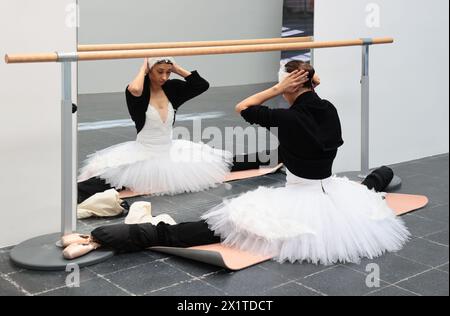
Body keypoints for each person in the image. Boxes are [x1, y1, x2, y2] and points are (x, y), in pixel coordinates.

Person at [66, 61, 410, 265]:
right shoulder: (329, 109)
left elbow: (243, 107)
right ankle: (383, 173)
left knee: (216, 228)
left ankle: (113, 236)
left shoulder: (287, 119)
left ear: (288, 84)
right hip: (329, 190)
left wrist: (277, 88)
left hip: (299, 197)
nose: (164, 74)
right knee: (368, 191)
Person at [78, 57, 233, 197]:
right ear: (149, 70)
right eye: (159, 72)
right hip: (144, 151)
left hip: (168, 149)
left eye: (168, 72)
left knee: (219, 161)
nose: (164, 77)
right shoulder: (139, 91)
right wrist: (142, 69)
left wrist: (176, 68)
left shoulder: (172, 88)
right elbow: (135, 90)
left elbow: (201, 85)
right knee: (106, 180)